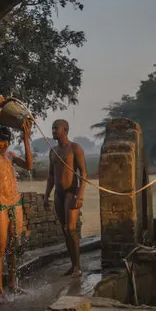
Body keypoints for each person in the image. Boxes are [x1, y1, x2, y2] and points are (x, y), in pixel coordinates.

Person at [0, 95, 33, 304]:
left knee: (14, 246)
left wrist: (26, 139)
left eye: (6, 140)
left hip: (16, 203)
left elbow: (29, 165)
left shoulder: (10, 155)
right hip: (2, 205)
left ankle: (13, 283)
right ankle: (0, 292)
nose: (2, 144)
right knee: (1, 248)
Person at [44, 119, 87, 278]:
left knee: (70, 228)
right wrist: (46, 195)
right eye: (53, 128)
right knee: (64, 230)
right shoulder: (53, 151)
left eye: (57, 128)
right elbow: (50, 175)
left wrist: (80, 195)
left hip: (71, 192)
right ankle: (73, 265)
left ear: (65, 130)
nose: (54, 131)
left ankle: (78, 266)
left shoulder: (75, 148)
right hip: (58, 194)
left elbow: (84, 174)